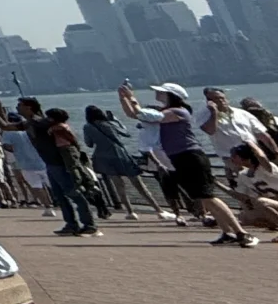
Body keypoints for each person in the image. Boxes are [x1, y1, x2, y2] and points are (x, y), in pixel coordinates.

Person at [119, 82, 254, 247]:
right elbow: (134, 114)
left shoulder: (178, 112)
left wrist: (131, 96)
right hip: (178, 158)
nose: (158, 94)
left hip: (191, 157)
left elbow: (140, 113)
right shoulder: (163, 112)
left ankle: (242, 233)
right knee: (202, 197)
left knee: (208, 196)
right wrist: (124, 97)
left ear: (171, 95)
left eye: (162, 92)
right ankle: (227, 232)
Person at [81, 106, 159, 218]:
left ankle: (130, 211)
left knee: (119, 186)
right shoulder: (109, 124)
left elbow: (89, 144)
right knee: (139, 184)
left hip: (103, 157)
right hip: (120, 154)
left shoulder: (87, 127)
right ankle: (158, 209)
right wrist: (115, 120)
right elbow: (126, 133)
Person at [38, 109, 100, 236]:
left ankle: (88, 224)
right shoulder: (60, 127)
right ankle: (75, 224)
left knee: (73, 191)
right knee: (65, 193)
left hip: (65, 157)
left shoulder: (59, 128)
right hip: (61, 158)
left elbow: (70, 144)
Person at [227, 144, 278, 230]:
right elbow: (241, 196)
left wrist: (251, 144)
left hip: (272, 201)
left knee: (261, 202)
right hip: (272, 203)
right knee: (243, 217)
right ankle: (273, 222)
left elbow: (261, 156)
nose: (232, 159)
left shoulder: (265, 168)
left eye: (235, 156)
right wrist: (215, 183)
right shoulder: (243, 175)